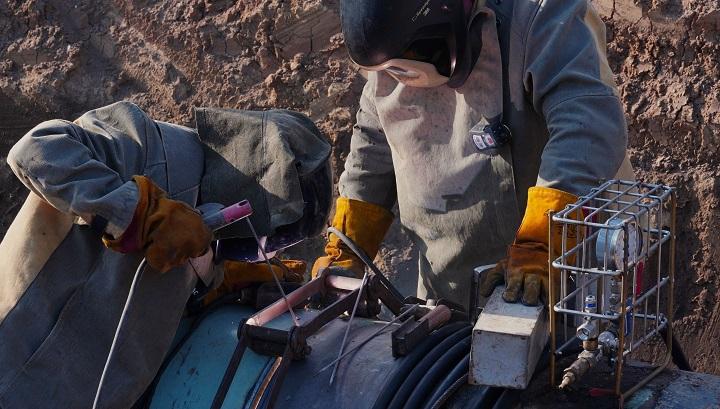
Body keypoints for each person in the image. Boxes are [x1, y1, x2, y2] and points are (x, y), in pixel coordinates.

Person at [0, 101, 332, 409]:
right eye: (272, 238)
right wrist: (137, 212)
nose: (263, 250)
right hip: (16, 354)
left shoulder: (204, 231)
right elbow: (35, 149)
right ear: (260, 186)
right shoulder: (143, 144)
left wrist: (218, 283)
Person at [312, 0, 635, 309]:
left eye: (408, 64)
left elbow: (588, 126)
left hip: (568, 281)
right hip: (448, 296)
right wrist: (348, 245)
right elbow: (375, 141)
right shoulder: (390, 38)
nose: (398, 79)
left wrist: (544, 240)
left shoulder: (538, 15)